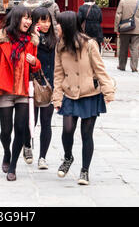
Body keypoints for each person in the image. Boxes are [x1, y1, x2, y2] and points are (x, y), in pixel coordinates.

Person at [52, 11, 115, 185]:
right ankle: (68, 157)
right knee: (67, 130)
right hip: (70, 93)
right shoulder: (60, 45)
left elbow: (100, 69)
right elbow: (57, 74)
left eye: (58, 24)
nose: (56, 26)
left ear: (67, 26)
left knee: (87, 134)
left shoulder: (90, 44)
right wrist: (57, 97)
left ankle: (85, 171)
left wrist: (108, 91)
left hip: (90, 94)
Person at [0, 5, 41, 181]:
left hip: (22, 90)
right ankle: (7, 152)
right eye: (25, 17)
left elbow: (36, 66)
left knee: (21, 129)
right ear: (16, 19)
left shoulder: (32, 40)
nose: (29, 21)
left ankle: (13, 166)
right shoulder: (1, 39)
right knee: (6, 131)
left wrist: (35, 61)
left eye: (30, 18)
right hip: (4, 89)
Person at [23, 7, 57, 169]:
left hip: (49, 84)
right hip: (31, 83)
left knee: (46, 121)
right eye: (43, 20)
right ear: (35, 21)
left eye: (48, 20)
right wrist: (34, 36)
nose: (47, 24)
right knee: (30, 120)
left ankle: (42, 156)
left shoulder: (54, 40)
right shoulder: (28, 39)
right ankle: (27, 146)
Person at [114, 0, 139, 72]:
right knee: (135, 48)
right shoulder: (138, 2)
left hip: (125, 28)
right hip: (136, 29)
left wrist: (117, 28)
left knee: (123, 47)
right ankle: (134, 67)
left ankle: (122, 66)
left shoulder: (123, 2)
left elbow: (118, 15)